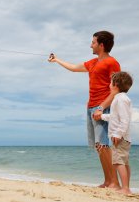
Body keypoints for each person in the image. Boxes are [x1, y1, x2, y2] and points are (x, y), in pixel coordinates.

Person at [48, 30, 120, 188]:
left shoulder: (112, 63)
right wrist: (57, 60)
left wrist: (101, 108)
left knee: (103, 144)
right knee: (98, 146)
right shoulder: (93, 63)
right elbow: (74, 68)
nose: (90, 45)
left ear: (101, 45)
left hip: (102, 107)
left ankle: (115, 183)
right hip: (91, 106)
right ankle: (108, 181)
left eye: (93, 42)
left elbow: (116, 89)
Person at [100, 71, 133, 195]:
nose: (109, 84)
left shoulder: (121, 99)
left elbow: (125, 120)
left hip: (120, 137)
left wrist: (118, 134)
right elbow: (115, 117)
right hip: (122, 137)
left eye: (110, 82)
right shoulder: (119, 99)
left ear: (115, 84)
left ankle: (125, 188)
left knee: (119, 162)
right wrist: (102, 116)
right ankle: (126, 187)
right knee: (123, 162)